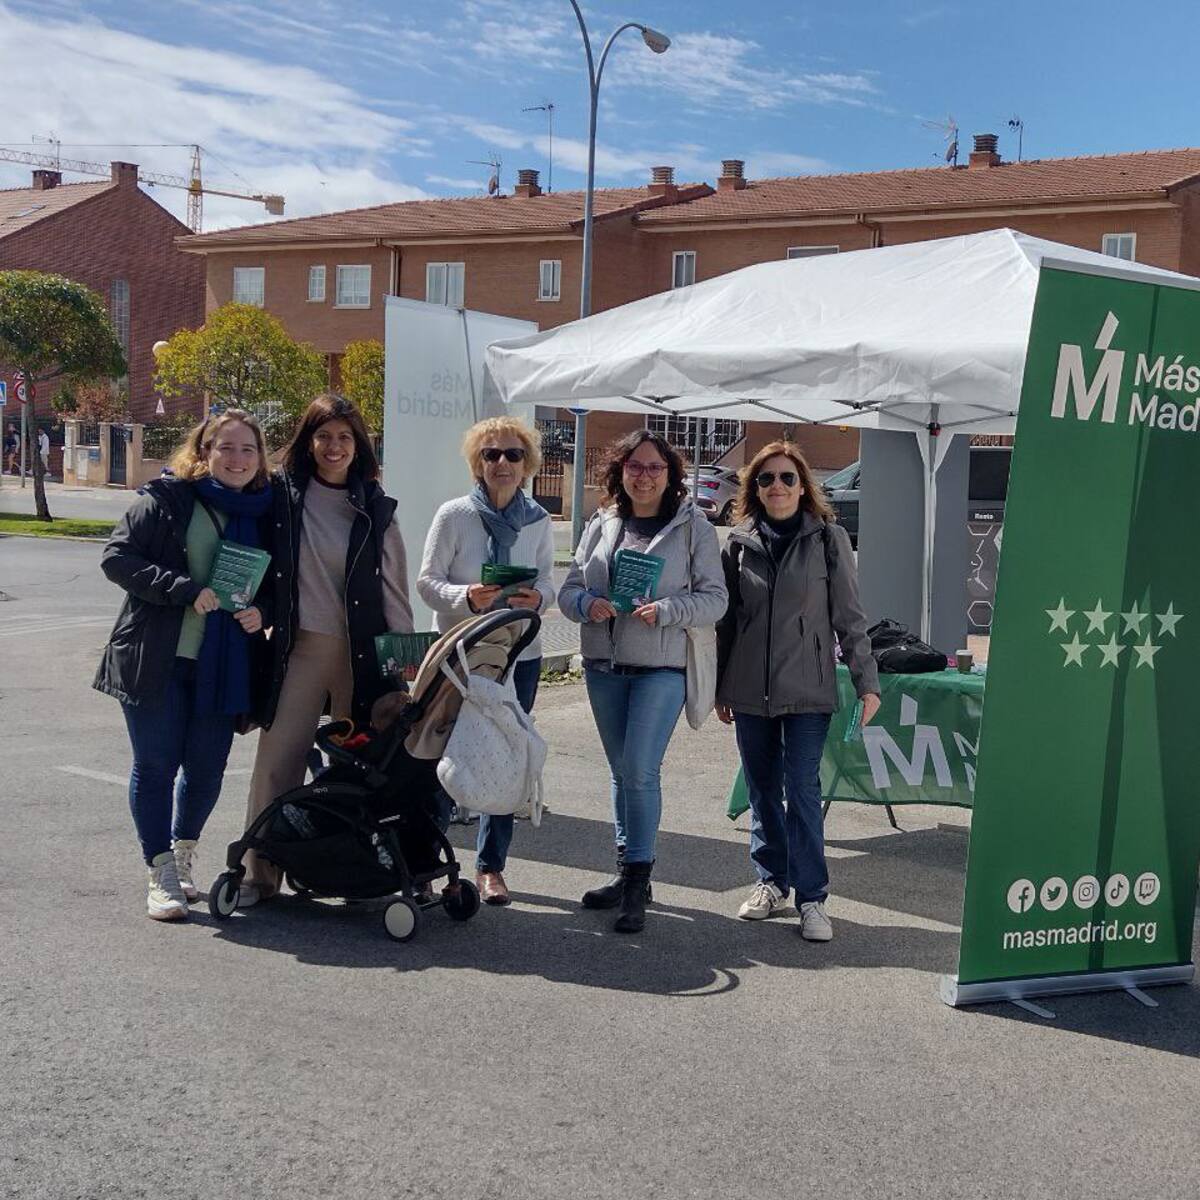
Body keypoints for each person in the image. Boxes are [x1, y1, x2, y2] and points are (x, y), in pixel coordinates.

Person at [93, 410, 273, 920]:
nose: (237, 459)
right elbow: (116, 558)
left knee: (206, 771)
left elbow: (279, 585)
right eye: (226, 448)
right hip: (157, 658)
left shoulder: (265, 512)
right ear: (204, 451)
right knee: (155, 766)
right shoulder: (168, 499)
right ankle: (160, 870)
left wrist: (266, 610)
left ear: (260, 458)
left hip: (225, 664)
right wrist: (184, 590)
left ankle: (184, 854)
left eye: (247, 450)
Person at [240, 393, 413, 906]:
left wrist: (399, 668)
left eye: (344, 437)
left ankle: (356, 869)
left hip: (362, 654)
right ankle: (259, 874)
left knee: (365, 766)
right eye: (323, 436)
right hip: (303, 649)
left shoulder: (377, 506)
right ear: (308, 441)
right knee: (277, 762)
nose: (334, 447)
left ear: (358, 444)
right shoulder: (282, 495)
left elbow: (395, 592)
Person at [559, 430, 727, 933]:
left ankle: (637, 880)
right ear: (621, 471)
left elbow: (716, 599)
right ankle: (626, 869)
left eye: (655, 467)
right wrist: (588, 604)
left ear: (670, 474)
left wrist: (671, 609)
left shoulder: (692, 526)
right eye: (635, 466)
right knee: (619, 771)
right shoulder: (603, 521)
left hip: (661, 669)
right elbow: (569, 590)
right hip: (604, 666)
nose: (645, 475)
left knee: (638, 769)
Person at [715, 442, 881, 942]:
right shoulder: (737, 543)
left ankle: (813, 898)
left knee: (803, 792)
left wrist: (866, 681)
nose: (778, 487)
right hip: (749, 692)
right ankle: (771, 882)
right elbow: (726, 624)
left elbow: (850, 618)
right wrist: (722, 684)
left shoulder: (829, 540)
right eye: (766, 480)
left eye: (788, 478)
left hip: (808, 689)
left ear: (803, 485)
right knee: (763, 790)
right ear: (754, 488)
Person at [417, 416, 555, 906]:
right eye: (491, 454)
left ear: (527, 465)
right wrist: (467, 596)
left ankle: (491, 867)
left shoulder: (538, 520)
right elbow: (428, 582)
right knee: (436, 756)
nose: (502, 463)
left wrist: (535, 600)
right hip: (458, 655)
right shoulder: (454, 515)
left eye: (512, 455)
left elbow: (547, 585)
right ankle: (425, 864)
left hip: (519, 657)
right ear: (477, 462)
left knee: (506, 755)